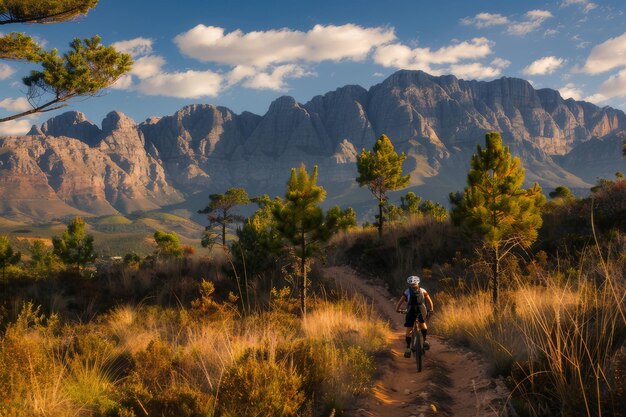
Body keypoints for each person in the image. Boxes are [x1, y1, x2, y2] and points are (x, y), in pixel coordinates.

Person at [395, 275, 434, 358]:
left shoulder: (407, 291)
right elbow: (429, 301)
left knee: (409, 329)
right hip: (421, 309)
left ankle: (408, 348)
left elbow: (400, 302)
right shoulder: (423, 290)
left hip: (411, 310)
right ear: (418, 282)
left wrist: (397, 309)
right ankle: (425, 340)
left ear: (409, 284)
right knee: (422, 323)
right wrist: (431, 309)